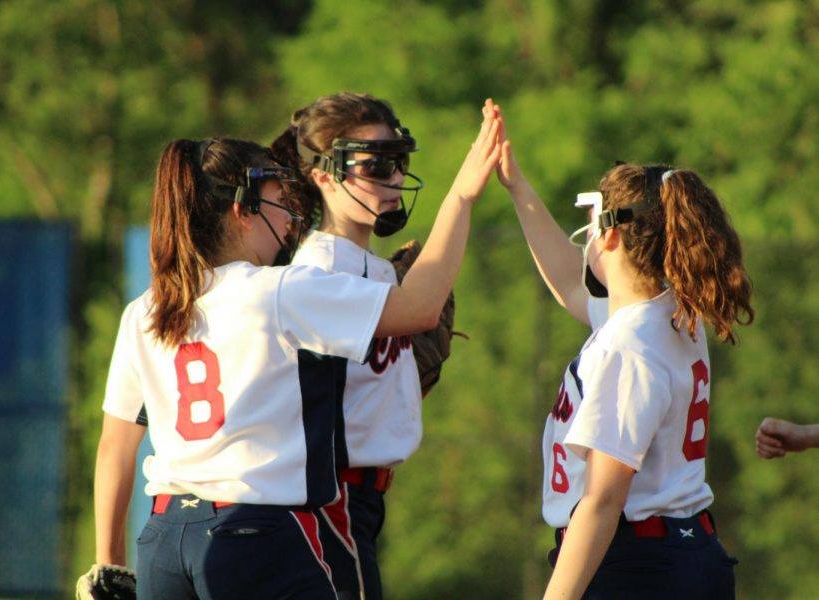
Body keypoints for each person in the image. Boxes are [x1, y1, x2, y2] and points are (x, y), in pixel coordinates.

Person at [81, 106, 502, 599]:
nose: (290, 217)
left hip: (163, 537)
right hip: (252, 533)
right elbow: (419, 308)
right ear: (242, 211)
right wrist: (465, 193)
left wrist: (109, 565)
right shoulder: (278, 290)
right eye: (278, 201)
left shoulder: (148, 308)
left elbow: (114, 446)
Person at [495, 113, 754, 599]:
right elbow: (572, 285)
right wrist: (518, 187)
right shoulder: (671, 314)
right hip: (680, 554)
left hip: (636, 564)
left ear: (611, 235)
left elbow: (602, 502)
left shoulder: (628, 345)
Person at [270, 91, 446, 599]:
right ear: (323, 174)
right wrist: (464, 197)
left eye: (399, 163)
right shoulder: (316, 269)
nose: (393, 179)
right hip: (328, 495)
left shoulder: (379, 267)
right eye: (374, 166)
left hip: (362, 498)